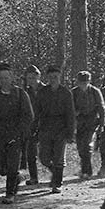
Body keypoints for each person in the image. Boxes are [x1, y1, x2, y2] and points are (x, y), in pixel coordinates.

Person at [0, 62, 35, 204]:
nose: (4, 81)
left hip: (16, 135)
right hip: (1, 134)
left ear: (12, 78)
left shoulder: (20, 94)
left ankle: (10, 194)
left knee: (12, 165)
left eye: (6, 77)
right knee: (2, 168)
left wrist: (21, 132)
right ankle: (16, 178)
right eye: (1, 78)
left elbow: (28, 116)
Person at [36, 64, 75, 193]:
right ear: (47, 78)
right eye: (51, 77)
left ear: (60, 77)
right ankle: (56, 173)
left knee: (58, 157)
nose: (53, 79)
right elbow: (37, 112)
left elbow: (70, 114)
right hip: (46, 127)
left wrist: (70, 132)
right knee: (44, 157)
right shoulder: (42, 92)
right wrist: (33, 129)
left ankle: (57, 183)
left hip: (61, 128)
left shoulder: (66, 93)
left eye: (56, 77)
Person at [72, 71, 105, 179]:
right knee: (80, 147)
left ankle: (87, 171)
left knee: (87, 146)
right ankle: (85, 169)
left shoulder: (95, 91)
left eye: (85, 82)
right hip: (78, 123)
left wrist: (102, 124)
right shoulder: (73, 92)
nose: (83, 84)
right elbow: (69, 108)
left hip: (91, 122)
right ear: (77, 82)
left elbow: (102, 108)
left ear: (89, 81)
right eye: (81, 82)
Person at [21, 65, 43, 185]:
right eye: (29, 78)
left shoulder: (46, 90)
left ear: (38, 77)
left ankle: (56, 174)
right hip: (31, 125)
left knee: (47, 154)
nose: (31, 80)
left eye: (33, 77)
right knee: (30, 153)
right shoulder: (25, 92)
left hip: (45, 125)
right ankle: (34, 177)